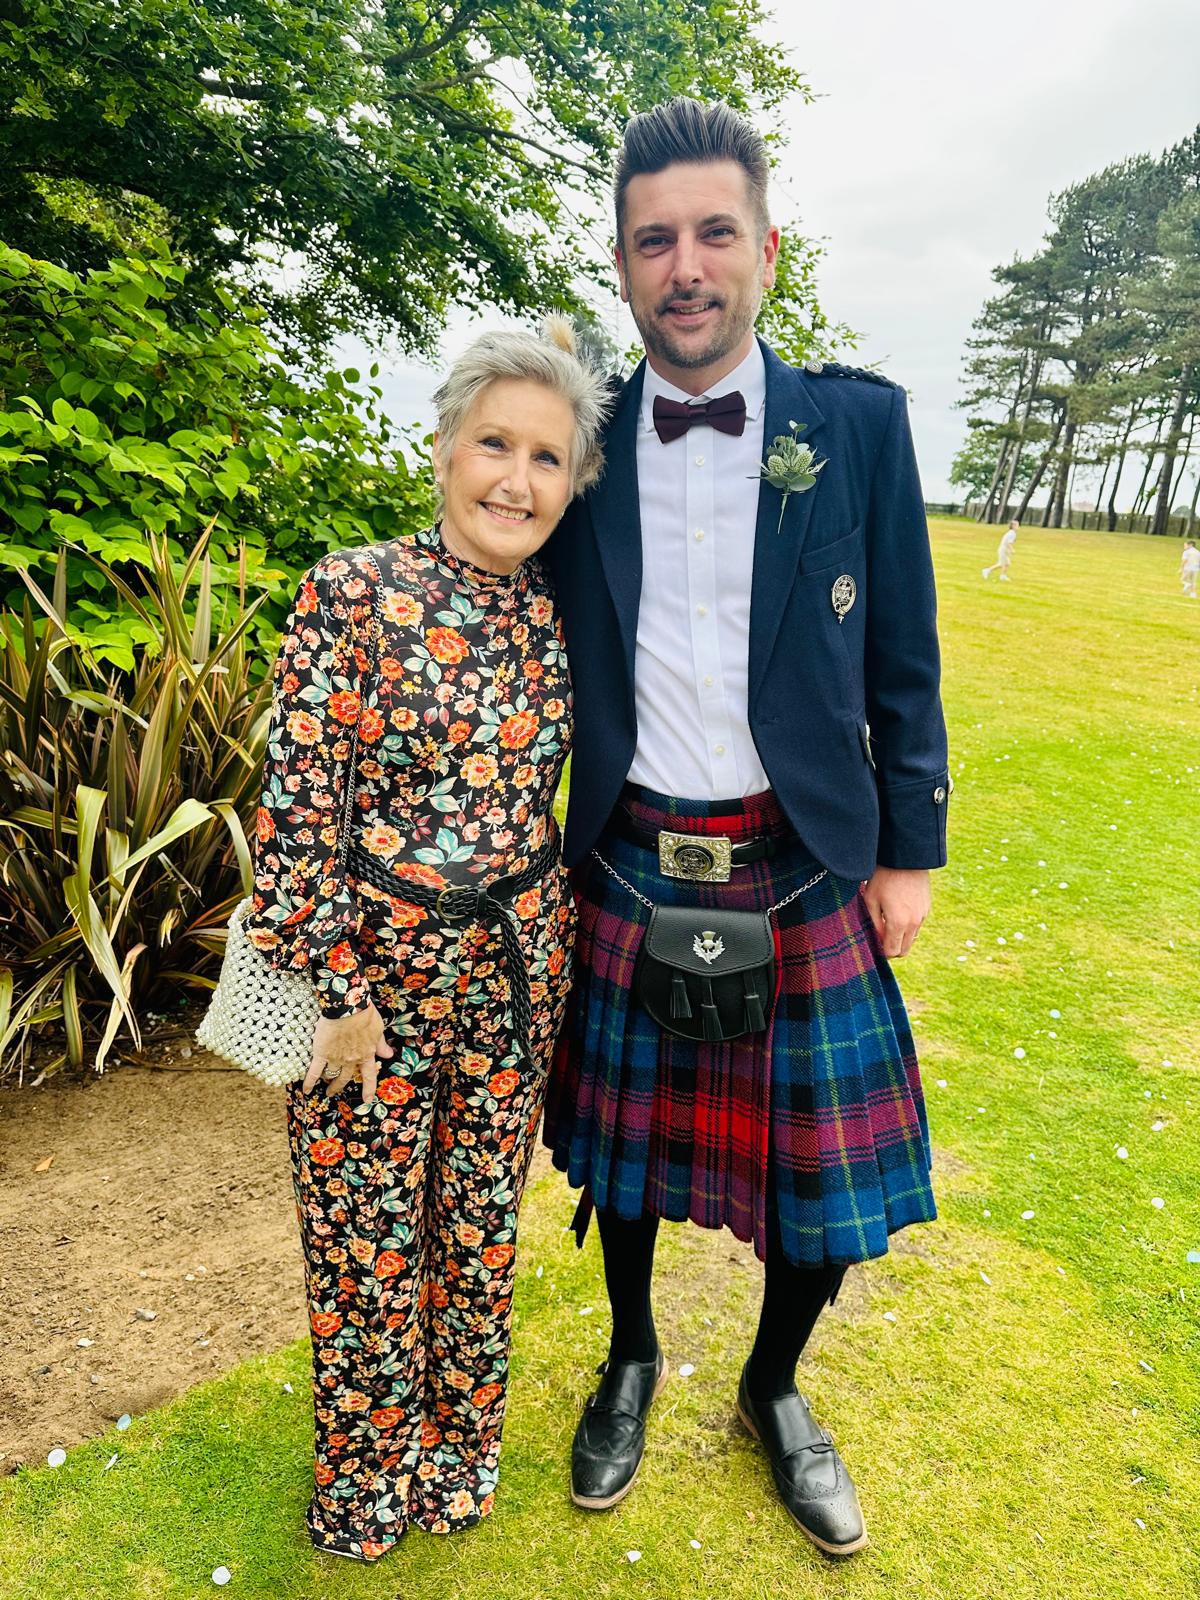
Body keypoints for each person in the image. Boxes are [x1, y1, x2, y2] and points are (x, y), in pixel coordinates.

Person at [540, 98, 950, 1559]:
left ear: (767, 247)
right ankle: (633, 1356)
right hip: (631, 846)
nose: (687, 265)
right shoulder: (576, 439)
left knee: (820, 1189)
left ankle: (774, 1388)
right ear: (622, 263)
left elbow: (904, 652)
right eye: (656, 240)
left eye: (715, 232)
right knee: (626, 1155)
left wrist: (908, 848)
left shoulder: (857, 423)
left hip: (803, 857)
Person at [243, 321, 610, 1561]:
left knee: (473, 1229)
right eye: (495, 444)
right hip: (371, 990)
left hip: (516, 979)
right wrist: (333, 985)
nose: (517, 479)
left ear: (574, 481)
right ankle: (364, 1478)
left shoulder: (564, 612)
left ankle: (457, 1452)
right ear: (446, 447)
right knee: (364, 1240)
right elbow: (297, 810)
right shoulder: (351, 592)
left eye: (547, 458)